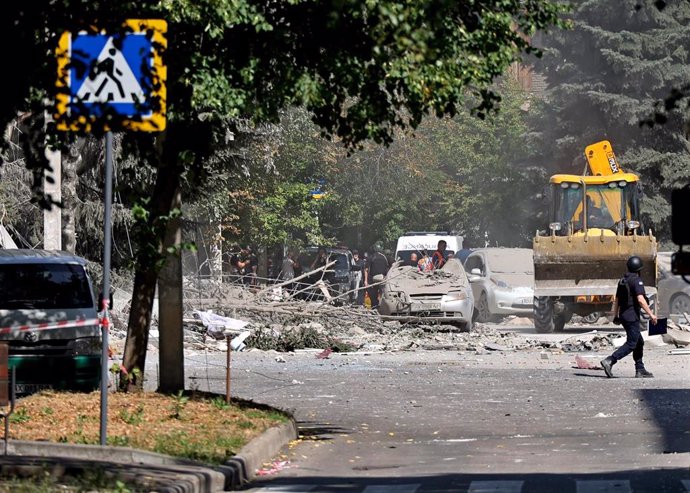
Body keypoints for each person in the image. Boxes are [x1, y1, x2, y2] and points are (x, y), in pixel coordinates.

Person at [600, 255, 657, 378]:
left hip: (624, 316)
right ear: (639, 269)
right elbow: (641, 300)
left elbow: (617, 300)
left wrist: (615, 316)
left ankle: (640, 369)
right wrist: (651, 315)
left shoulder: (622, 281)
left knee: (639, 342)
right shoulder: (636, 280)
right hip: (632, 317)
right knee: (632, 343)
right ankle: (610, 360)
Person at [365, 242, 390, 309]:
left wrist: (366, 280)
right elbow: (388, 267)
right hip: (383, 278)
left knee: (373, 294)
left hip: (373, 279)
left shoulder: (371, 257)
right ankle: (381, 306)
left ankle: (374, 306)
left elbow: (366, 270)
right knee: (383, 293)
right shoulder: (385, 257)